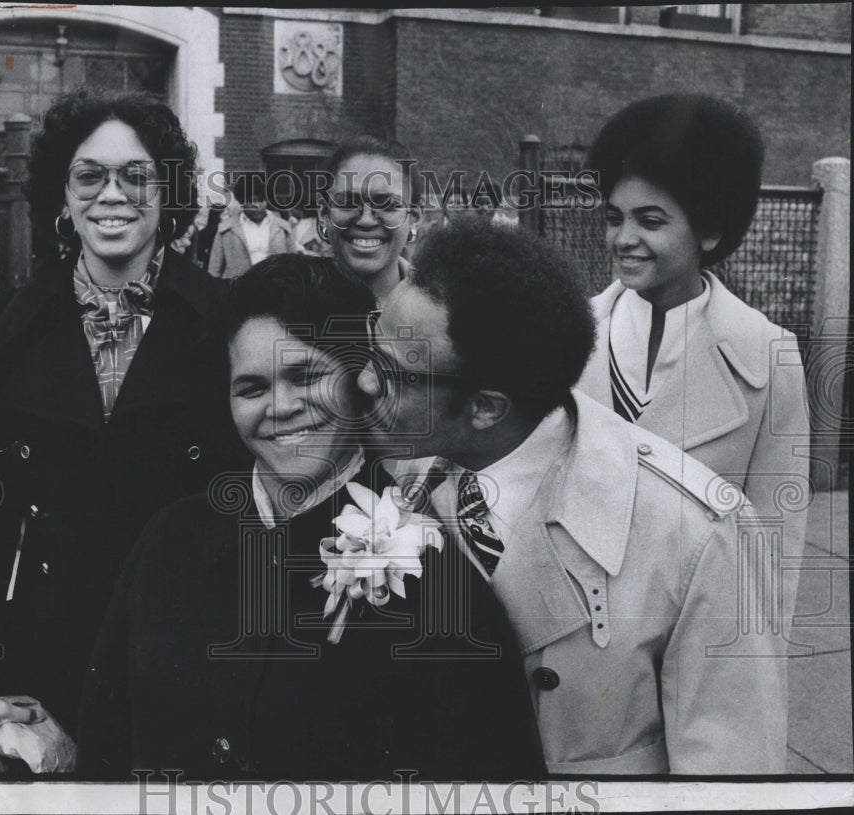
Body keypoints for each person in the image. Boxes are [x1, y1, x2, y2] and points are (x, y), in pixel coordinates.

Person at [78, 254, 546, 781]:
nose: (280, 406)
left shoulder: (438, 582)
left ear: (360, 381)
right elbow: (105, 745)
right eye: (251, 387)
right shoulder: (167, 542)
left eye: (306, 376)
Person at [355, 217, 788, 774]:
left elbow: (732, 778)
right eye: (373, 344)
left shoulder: (699, 534)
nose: (365, 383)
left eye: (393, 372)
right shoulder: (398, 468)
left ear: (486, 407)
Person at [0, 88, 245, 773]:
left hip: (188, 652)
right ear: (62, 195)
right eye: (90, 175)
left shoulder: (222, 320)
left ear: (168, 193)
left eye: (136, 175)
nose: (113, 194)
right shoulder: (10, 325)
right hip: (49, 660)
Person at [577, 94, 810, 631]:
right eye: (615, 218)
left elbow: (772, 552)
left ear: (709, 229)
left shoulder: (769, 360)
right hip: (574, 658)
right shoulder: (569, 336)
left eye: (651, 220)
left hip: (694, 652)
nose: (624, 239)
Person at [318, 136, 422, 302]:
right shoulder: (288, 305)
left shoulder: (445, 307)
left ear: (413, 219)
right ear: (324, 215)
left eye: (387, 204)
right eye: (348, 203)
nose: (366, 220)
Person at [208, 175, 292, 279]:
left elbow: (295, 265)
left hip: (276, 290)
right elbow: (214, 269)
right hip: (237, 291)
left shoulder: (283, 228)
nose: (256, 205)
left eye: (260, 200)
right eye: (251, 201)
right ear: (242, 202)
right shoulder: (226, 229)